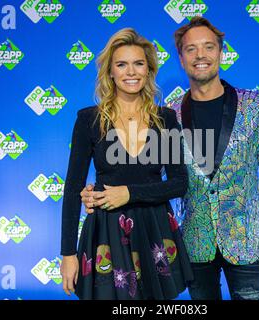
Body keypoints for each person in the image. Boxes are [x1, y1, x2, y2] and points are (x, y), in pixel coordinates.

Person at [82, 17, 259, 300]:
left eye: (208, 47)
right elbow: (146, 173)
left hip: (246, 243)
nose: (200, 55)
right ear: (181, 59)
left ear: (221, 53)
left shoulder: (253, 106)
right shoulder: (168, 115)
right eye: (191, 49)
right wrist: (96, 193)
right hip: (194, 246)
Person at [60, 28, 193, 300]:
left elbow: (180, 184)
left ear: (149, 70)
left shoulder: (164, 119)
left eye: (138, 63)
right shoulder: (89, 120)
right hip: (106, 232)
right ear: (110, 71)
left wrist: (129, 193)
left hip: (154, 229)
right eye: (121, 64)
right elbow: (73, 190)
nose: (130, 72)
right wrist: (68, 254)